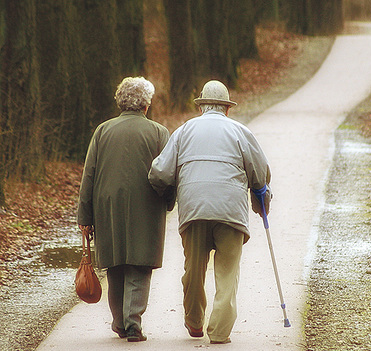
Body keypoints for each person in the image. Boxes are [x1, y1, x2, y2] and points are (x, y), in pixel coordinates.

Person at [148, 80, 271, 344]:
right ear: (227, 108)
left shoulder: (184, 131)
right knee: (227, 274)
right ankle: (219, 332)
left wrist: (164, 193)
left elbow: (160, 172)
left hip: (194, 210)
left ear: (201, 106)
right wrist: (262, 198)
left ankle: (194, 322)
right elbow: (260, 173)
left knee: (193, 269)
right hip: (230, 213)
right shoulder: (240, 131)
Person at [77, 76, 172, 342]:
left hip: (107, 207)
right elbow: (166, 174)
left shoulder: (102, 131)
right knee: (140, 264)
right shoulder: (158, 132)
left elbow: (89, 175)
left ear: (121, 102)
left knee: (115, 264)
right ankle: (133, 323)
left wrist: (85, 216)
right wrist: (168, 200)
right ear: (146, 105)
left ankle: (119, 321)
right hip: (146, 205)